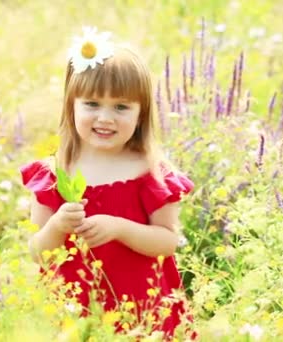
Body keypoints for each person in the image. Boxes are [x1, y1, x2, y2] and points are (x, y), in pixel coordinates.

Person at [20, 27, 196, 340]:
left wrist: (119, 228)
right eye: (91, 104)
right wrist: (58, 225)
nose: (105, 118)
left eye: (121, 107)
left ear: (141, 114)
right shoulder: (54, 174)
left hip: (143, 309)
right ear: (71, 104)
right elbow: (37, 251)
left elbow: (168, 241)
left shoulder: (151, 173)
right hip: (74, 310)